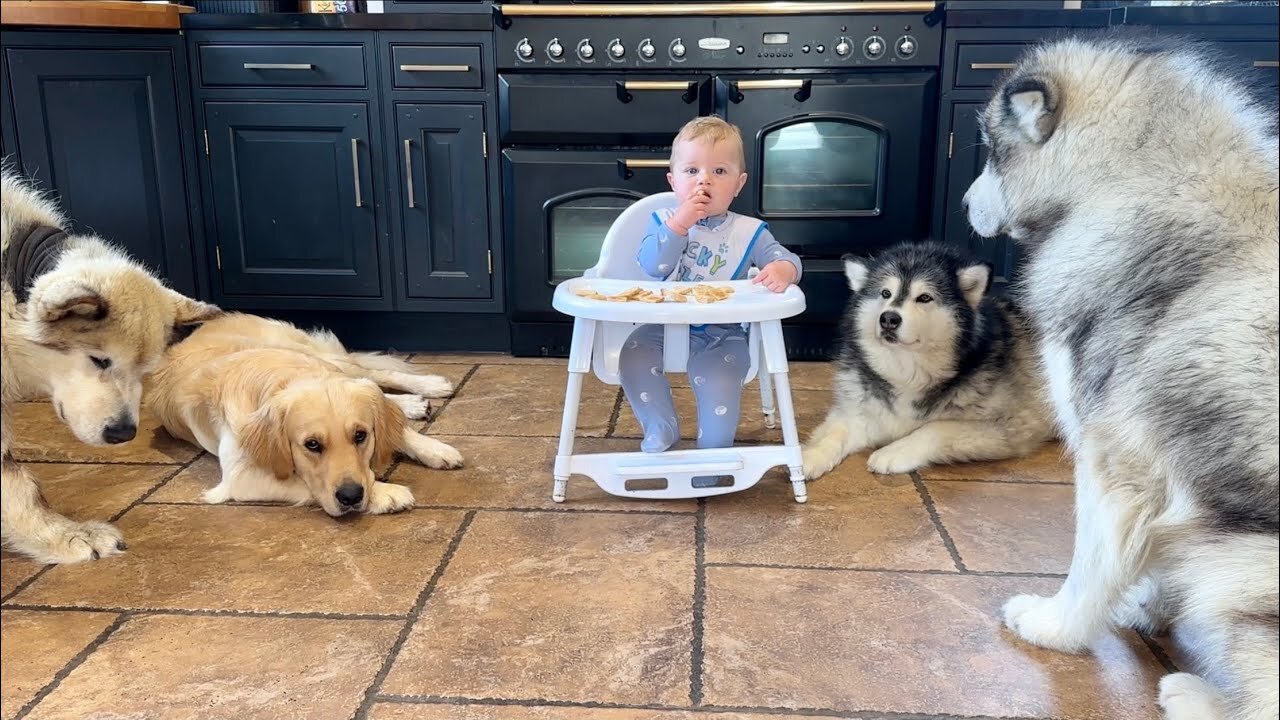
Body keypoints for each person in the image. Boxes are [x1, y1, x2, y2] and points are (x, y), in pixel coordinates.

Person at [618, 116, 803, 466]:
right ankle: (661, 427)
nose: (704, 179)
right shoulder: (663, 222)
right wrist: (678, 225)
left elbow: (785, 257)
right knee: (633, 354)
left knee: (720, 380)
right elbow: (651, 266)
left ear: (738, 183)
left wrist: (782, 269)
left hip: (722, 333)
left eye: (719, 171)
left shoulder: (749, 232)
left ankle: (713, 455)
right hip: (662, 324)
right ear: (673, 181)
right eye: (691, 171)